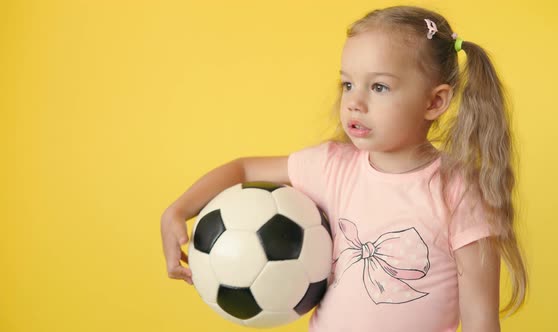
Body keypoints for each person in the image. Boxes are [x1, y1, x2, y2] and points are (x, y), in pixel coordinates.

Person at [160, 5, 528, 332]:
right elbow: (240, 169)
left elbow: (481, 319)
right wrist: (177, 211)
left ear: (434, 101)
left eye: (379, 87)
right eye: (348, 83)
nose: (354, 101)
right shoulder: (331, 168)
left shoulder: (458, 192)